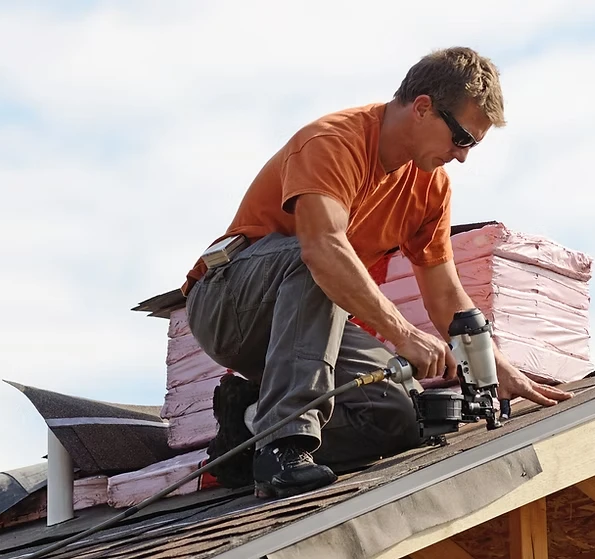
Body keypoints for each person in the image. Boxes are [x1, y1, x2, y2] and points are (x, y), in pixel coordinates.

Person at [181, 46, 573, 499]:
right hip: (227, 304)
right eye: (462, 138)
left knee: (395, 417)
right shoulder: (332, 141)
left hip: (306, 321)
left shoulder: (431, 186)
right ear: (423, 107)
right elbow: (322, 250)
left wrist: (499, 369)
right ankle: (282, 449)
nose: (463, 156)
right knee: (322, 260)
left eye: (474, 145)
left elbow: (445, 295)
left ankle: (247, 431)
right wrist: (404, 335)